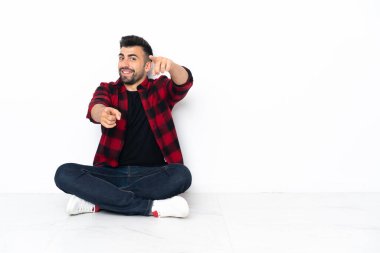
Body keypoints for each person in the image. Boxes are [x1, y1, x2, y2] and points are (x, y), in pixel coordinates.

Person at [54, 35, 193, 218]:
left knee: (182, 175)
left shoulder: (160, 88)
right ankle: (149, 207)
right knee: (64, 173)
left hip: (152, 175)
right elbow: (95, 107)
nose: (124, 63)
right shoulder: (108, 89)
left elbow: (183, 83)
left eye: (132, 58)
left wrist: (172, 66)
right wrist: (102, 113)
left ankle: (98, 200)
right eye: (121, 57)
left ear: (147, 65)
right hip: (109, 174)